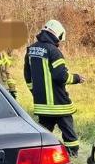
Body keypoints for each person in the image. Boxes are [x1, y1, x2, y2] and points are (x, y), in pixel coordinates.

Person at [24, 20, 85, 156]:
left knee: (43, 135)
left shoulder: (31, 49)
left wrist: (35, 92)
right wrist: (76, 78)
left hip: (41, 104)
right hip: (59, 104)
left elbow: (27, 76)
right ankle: (73, 158)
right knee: (70, 136)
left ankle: (38, 156)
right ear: (58, 34)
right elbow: (60, 76)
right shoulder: (54, 51)